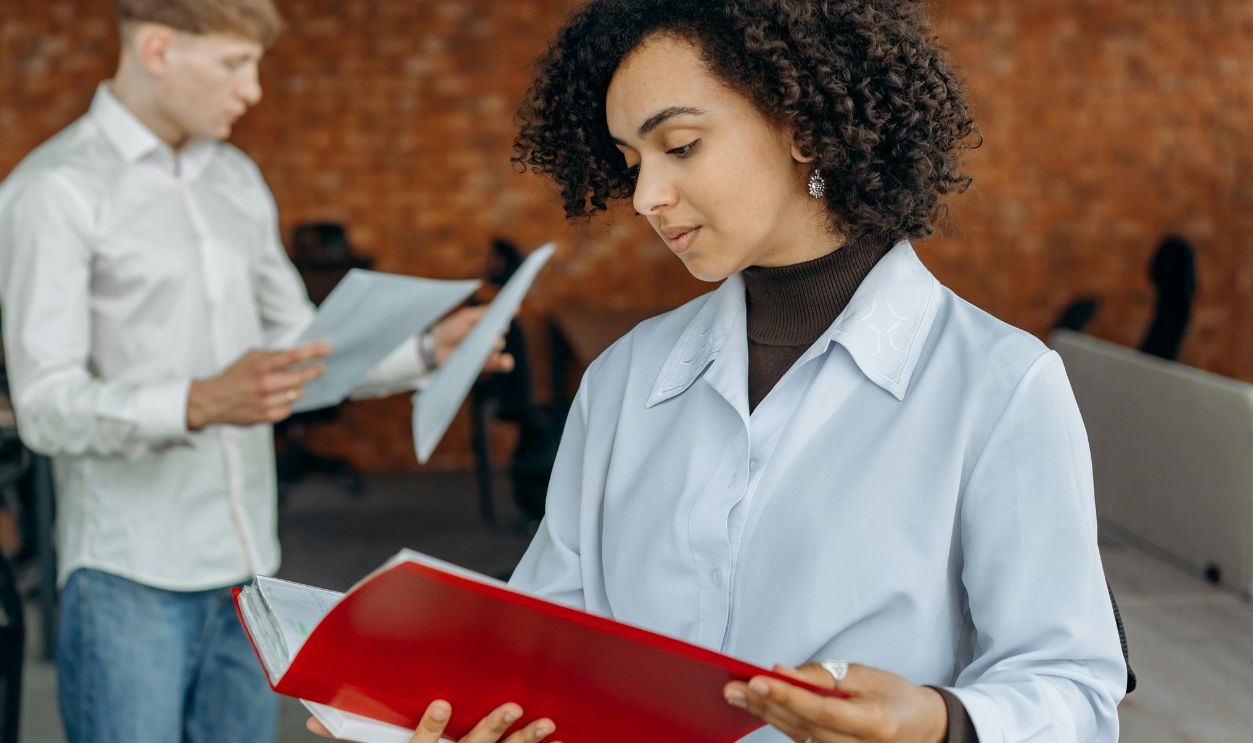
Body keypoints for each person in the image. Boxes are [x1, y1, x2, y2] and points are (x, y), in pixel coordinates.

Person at [313, 1, 1128, 742]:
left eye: (679, 146)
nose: (643, 197)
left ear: (803, 124)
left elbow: (1072, 689)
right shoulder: (622, 378)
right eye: (630, 160)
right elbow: (549, 638)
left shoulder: (998, 383)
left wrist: (940, 724)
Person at [0, 1, 509, 741]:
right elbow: (45, 406)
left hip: (250, 574)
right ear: (158, 49)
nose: (254, 90)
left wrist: (429, 351)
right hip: (128, 577)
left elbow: (304, 348)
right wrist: (198, 402)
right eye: (235, 65)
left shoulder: (235, 178)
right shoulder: (55, 190)